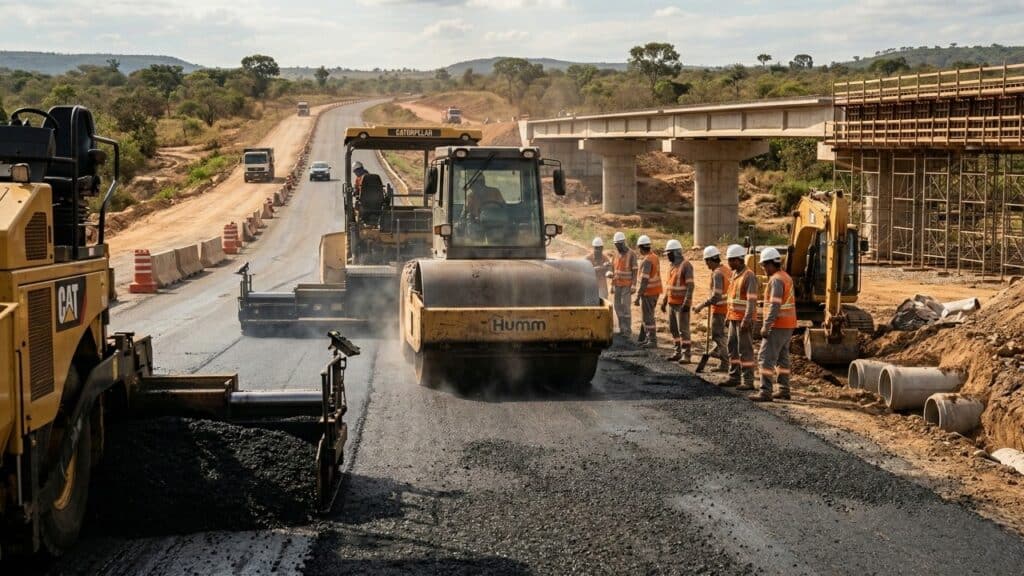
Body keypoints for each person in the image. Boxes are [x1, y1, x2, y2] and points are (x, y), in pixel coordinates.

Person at [750, 247, 797, 402]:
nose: (763, 269)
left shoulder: (776, 280)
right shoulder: (786, 277)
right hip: (788, 325)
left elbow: (774, 306)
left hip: (777, 325)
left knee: (765, 357)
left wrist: (766, 325)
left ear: (770, 264)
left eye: (764, 265)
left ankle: (765, 391)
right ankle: (784, 389)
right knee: (782, 359)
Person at [724, 244, 758, 389]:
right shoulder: (734, 275)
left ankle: (748, 381)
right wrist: (727, 316)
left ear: (739, 259)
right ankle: (734, 377)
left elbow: (751, 301)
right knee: (732, 347)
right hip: (733, 318)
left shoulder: (749, 276)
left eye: (731, 260)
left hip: (743, 320)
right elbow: (731, 298)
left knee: (745, 350)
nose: (729, 263)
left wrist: (747, 319)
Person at [693, 246, 731, 372]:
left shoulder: (717, 273)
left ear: (710, 260)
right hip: (727, 308)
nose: (706, 265)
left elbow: (716, 296)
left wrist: (702, 305)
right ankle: (716, 353)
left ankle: (725, 363)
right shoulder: (726, 269)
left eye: (706, 261)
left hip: (720, 309)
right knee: (721, 336)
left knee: (718, 336)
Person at [660, 239, 694, 363]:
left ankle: (687, 355)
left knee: (683, 330)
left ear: (675, 252)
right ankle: (677, 352)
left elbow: (690, 286)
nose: (667, 256)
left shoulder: (686, 265)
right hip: (671, 303)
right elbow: (669, 286)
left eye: (669, 253)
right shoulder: (671, 267)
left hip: (681, 304)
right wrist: (664, 302)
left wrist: (687, 302)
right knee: (673, 329)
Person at [633, 235, 662, 348]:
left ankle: (652, 340)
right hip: (655, 291)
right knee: (649, 315)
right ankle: (647, 338)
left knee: (648, 317)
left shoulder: (647, 260)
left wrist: (637, 296)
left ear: (641, 248)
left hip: (648, 292)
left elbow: (644, 281)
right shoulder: (654, 257)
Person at [609, 231, 638, 337]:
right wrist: (612, 285)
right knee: (617, 306)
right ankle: (622, 328)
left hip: (627, 285)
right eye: (616, 245)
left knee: (626, 307)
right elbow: (614, 269)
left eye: (619, 244)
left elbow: (635, 270)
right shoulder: (616, 254)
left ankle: (627, 330)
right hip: (617, 284)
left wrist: (634, 285)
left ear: (623, 243)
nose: (618, 246)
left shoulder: (632, 254)